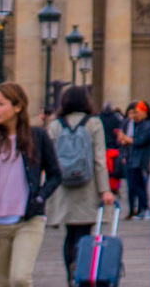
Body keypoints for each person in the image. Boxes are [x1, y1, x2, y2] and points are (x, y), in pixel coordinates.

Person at [0, 82, 62, 287]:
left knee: (20, 278)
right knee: (2, 282)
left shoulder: (38, 137)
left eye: (1, 104)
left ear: (17, 107)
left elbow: (55, 174)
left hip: (28, 220)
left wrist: (40, 197)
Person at [45, 87, 113, 287]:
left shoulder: (55, 125)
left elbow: (49, 160)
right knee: (84, 234)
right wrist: (105, 189)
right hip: (87, 186)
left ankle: (70, 273)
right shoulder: (94, 123)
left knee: (70, 233)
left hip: (64, 186)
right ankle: (82, 274)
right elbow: (100, 159)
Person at [121, 102, 150, 219]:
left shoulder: (147, 125)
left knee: (140, 186)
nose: (135, 115)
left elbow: (141, 140)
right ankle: (136, 209)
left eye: (137, 112)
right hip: (132, 159)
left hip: (141, 160)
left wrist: (128, 140)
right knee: (132, 186)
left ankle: (144, 208)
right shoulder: (133, 124)